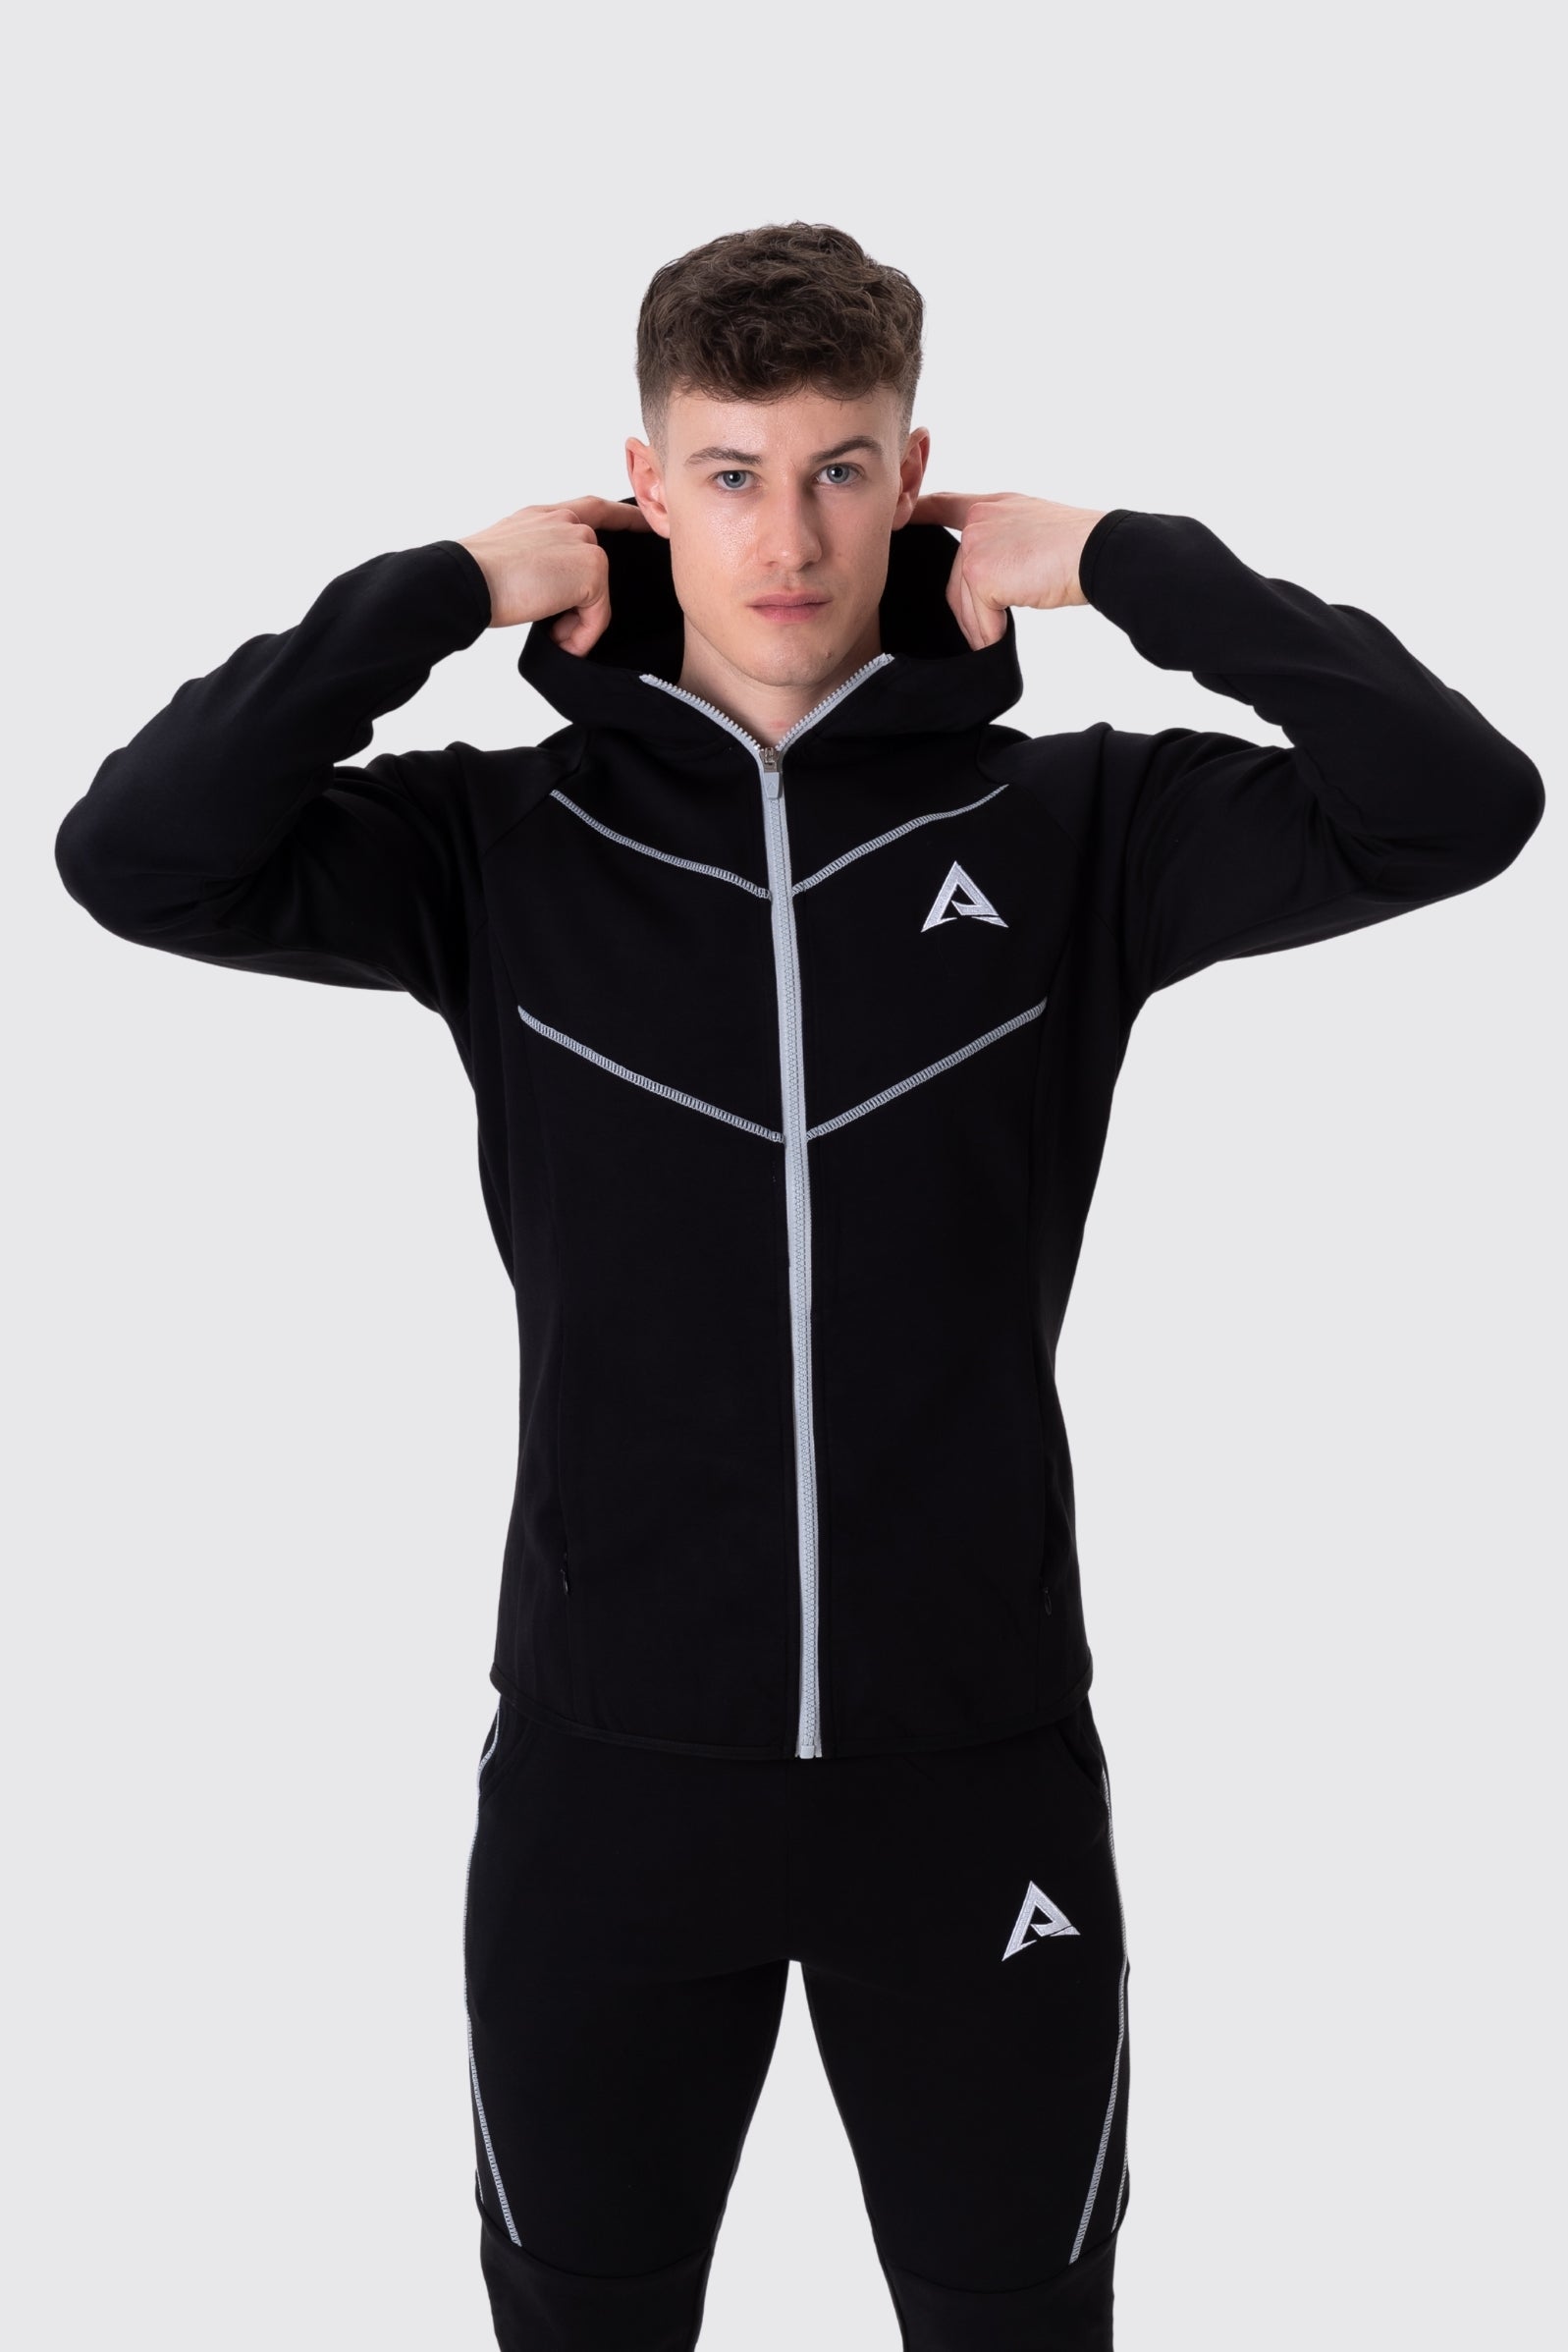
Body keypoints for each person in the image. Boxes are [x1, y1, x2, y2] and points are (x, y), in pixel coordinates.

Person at [52, 219, 1544, 2350]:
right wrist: (440, 590)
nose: (786, 536)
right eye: (730, 473)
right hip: (606, 1781)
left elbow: (1456, 805)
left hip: (972, 1771)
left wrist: (1129, 560)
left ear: (913, 474)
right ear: (640, 490)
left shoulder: (1078, 828)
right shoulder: (499, 848)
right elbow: (136, 855)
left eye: (841, 469)